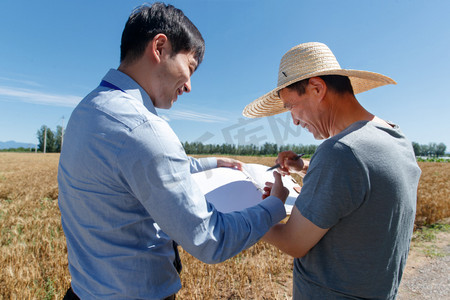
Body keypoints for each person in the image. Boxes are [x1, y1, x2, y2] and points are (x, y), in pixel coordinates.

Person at [58, 3, 288, 299]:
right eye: (190, 68)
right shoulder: (143, 128)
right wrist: (275, 205)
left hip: (83, 290)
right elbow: (211, 239)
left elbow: (143, 169)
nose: (189, 86)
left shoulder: (88, 110)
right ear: (160, 47)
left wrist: (214, 162)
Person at [243, 42, 421, 299]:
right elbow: (358, 183)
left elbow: (293, 242)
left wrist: (252, 213)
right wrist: (302, 166)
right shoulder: (395, 136)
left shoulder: (340, 152)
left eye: (290, 105)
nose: (292, 120)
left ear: (317, 88)